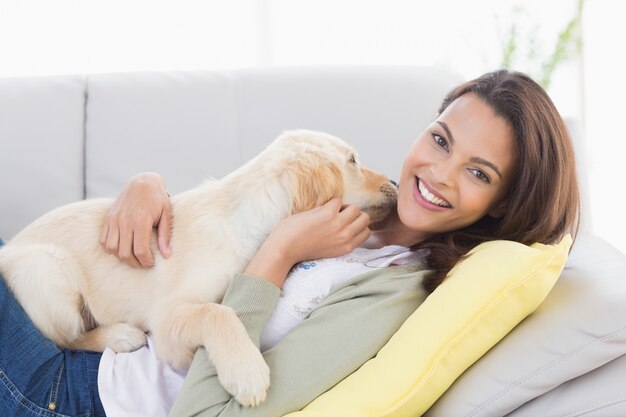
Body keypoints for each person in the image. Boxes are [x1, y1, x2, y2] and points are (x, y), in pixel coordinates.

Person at [0, 69, 579, 417]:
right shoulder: (356, 212)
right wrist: (148, 190)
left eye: (479, 173)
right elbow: (214, 230)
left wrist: (280, 253)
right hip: (79, 337)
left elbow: (209, 410)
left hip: (72, 394)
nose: (439, 174)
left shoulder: (393, 292)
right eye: (440, 139)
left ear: (503, 202)